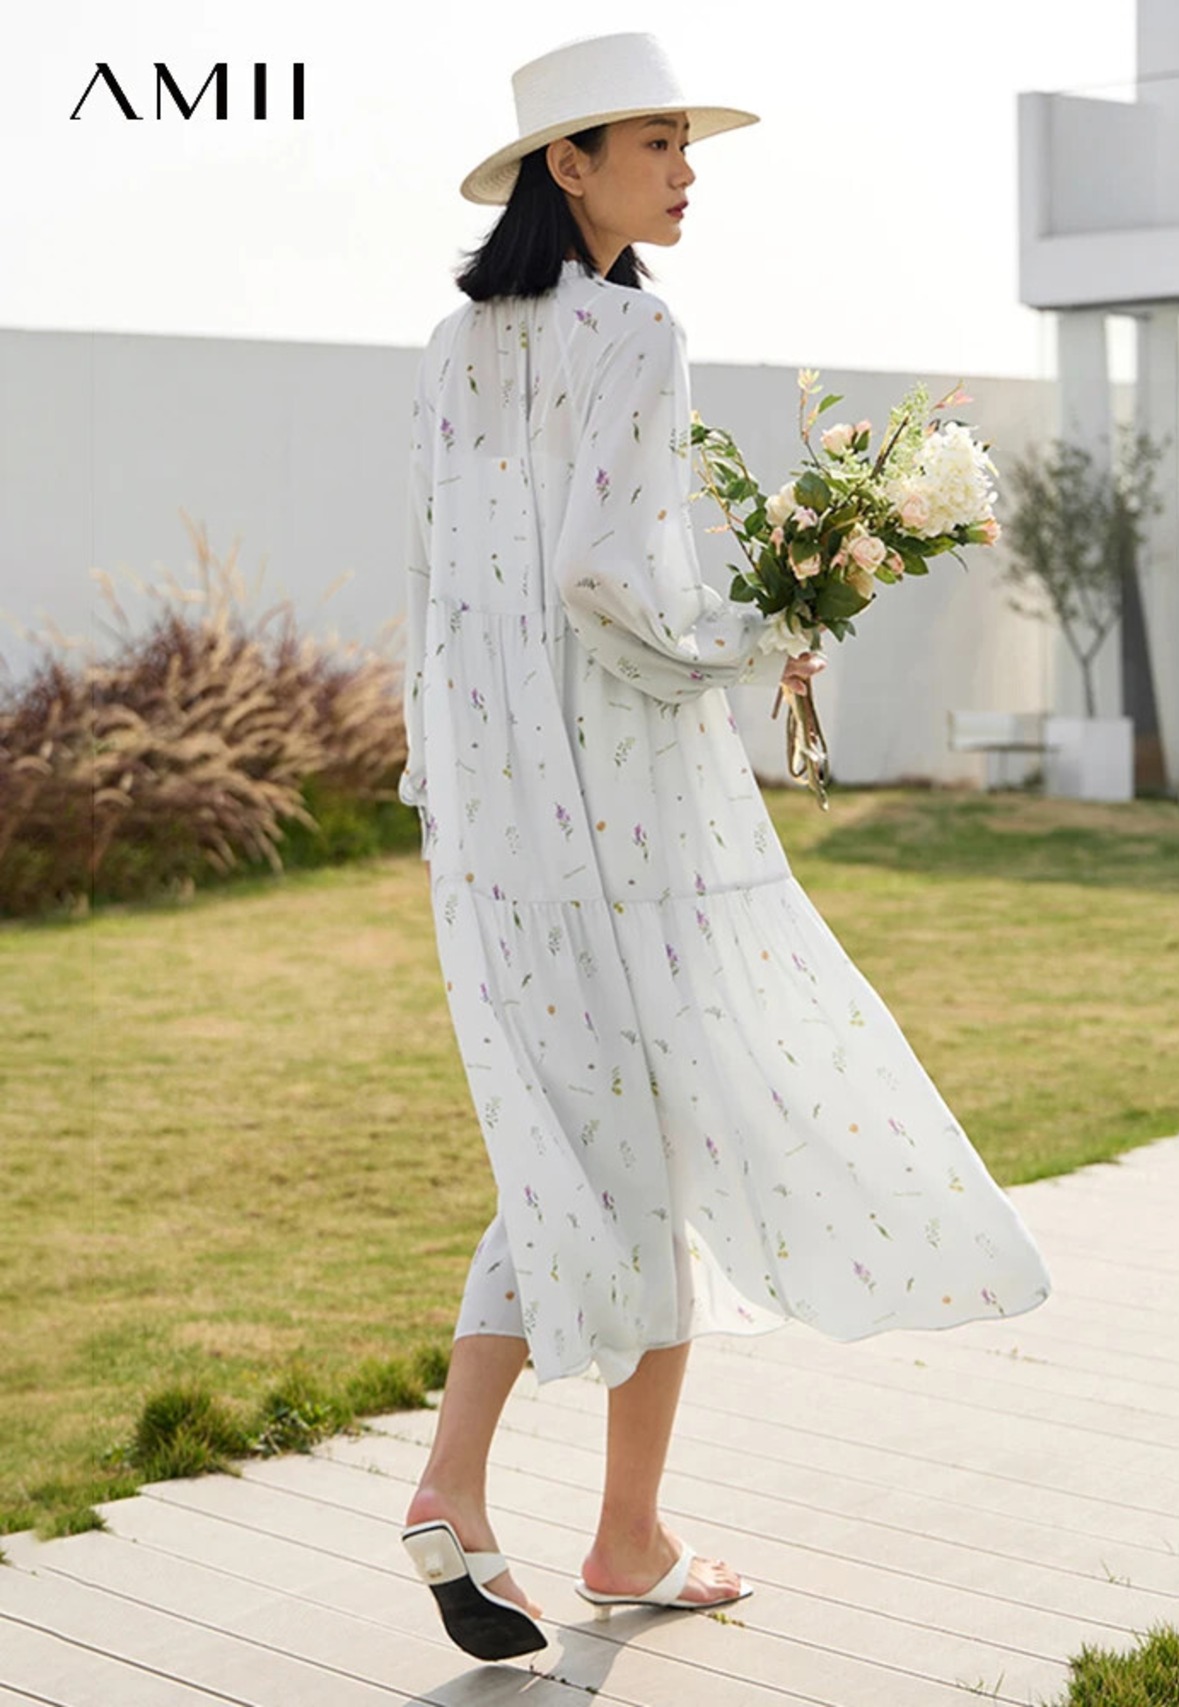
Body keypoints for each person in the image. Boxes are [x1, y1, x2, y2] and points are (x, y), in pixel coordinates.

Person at [396, 31, 1053, 1664]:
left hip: (493, 815)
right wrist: (761, 636)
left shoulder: (452, 347)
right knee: (651, 1142)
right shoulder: (636, 332)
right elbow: (610, 581)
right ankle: (527, 1506)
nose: (687, 172)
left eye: (689, 144)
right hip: (628, 803)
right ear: (568, 164)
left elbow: (444, 591)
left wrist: (446, 785)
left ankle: (549, 1511)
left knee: (584, 1144)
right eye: (656, 144)